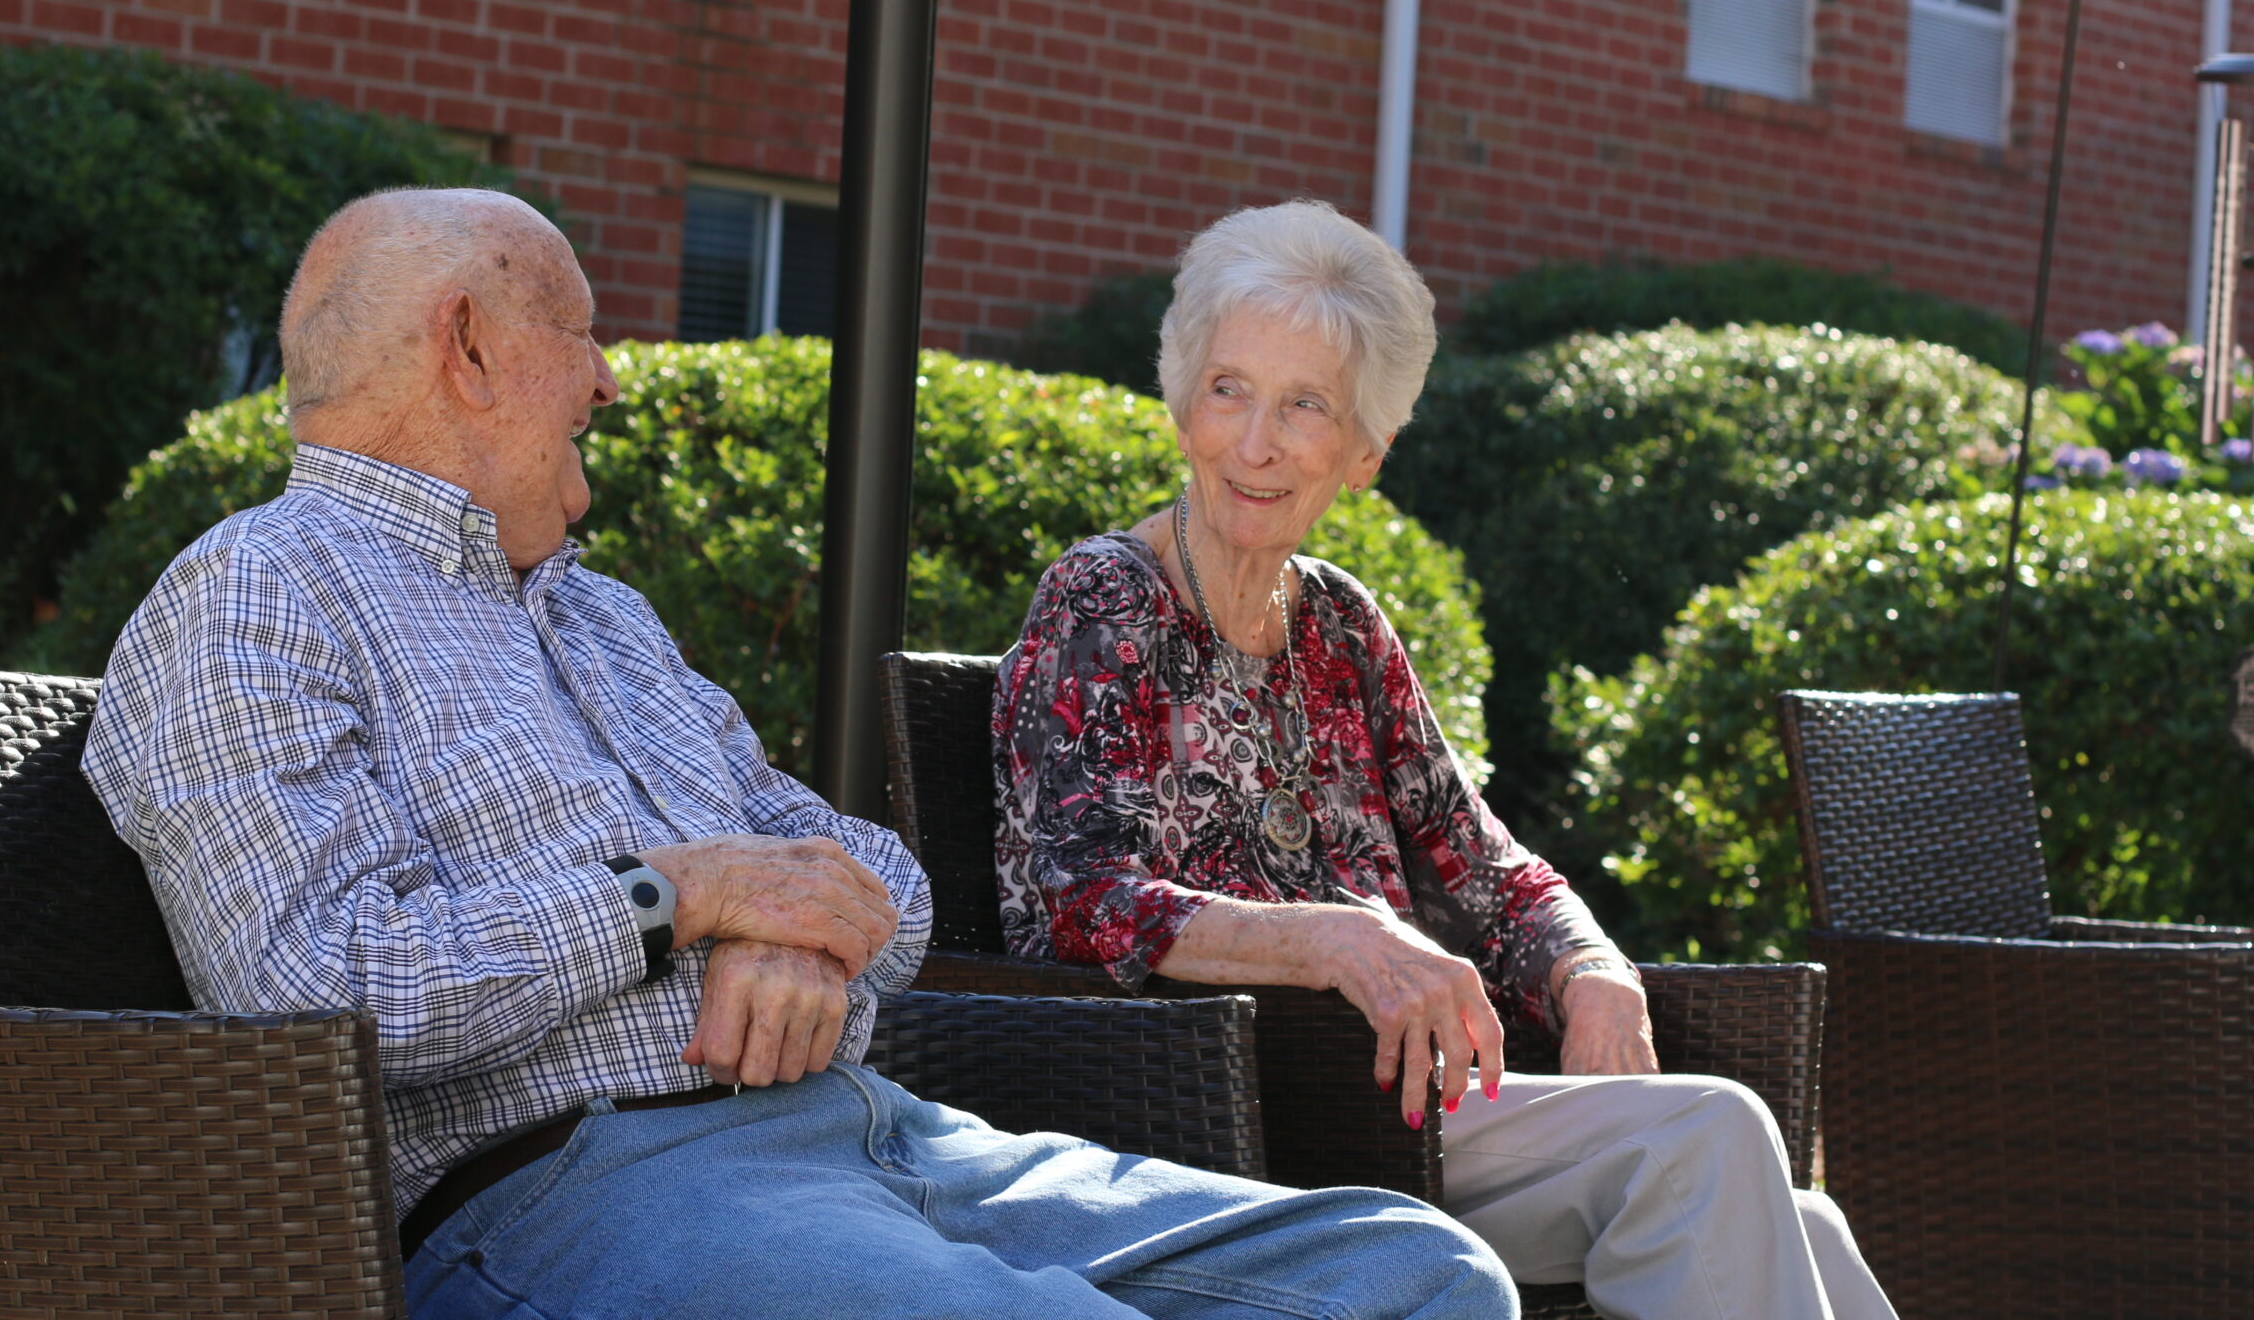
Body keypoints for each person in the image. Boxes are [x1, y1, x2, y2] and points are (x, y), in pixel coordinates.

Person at [82, 187, 1517, 1320]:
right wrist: (677, 900)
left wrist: (800, 933)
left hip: (868, 1132)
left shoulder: (601, 611)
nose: (611, 374)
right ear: (466, 345)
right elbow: (314, 993)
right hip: (569, 1191)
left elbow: (861, 863)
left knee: (1413, 1275)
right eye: (582, 331)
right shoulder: (259, 589)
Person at [994, 200, 1900, 1320]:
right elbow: (1076, 897)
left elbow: (1482, 861)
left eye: (1305, 406)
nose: (1256, 441)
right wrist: (1332, 939)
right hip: (1248, 1109)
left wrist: (1592, 973)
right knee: (1710, 1136)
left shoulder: (1340, 625)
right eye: (1229, 388)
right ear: (1183, 401)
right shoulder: (1105, 599)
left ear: (1365, 452)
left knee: (1796, 1213)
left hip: (1405, 1105)